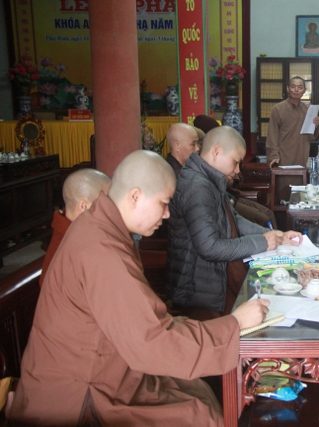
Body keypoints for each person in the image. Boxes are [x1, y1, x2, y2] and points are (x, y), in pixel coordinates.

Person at [7, 150, 270, 426]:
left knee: (196, 390)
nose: (168, 214)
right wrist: (234, 325)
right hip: (79, 397)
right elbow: (151, 342)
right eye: (163, 203)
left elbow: (142, 323)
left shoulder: (101, 227)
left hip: (109, 366)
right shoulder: (101, 250)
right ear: (135, 196)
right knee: (198, 414)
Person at [169, 126, 301, 315]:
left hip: (212, 282)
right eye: (235, 162)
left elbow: (233, 220)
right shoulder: (197, 187)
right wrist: (263, 242)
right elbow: (209, 247)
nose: (238, 170)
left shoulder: (209, 179)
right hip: (197, 290)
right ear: (216, 152)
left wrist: (274, 236)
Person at [40, 168, 111, 286]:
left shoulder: (77, 228)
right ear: (84, 206)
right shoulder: (72, 244)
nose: (111, 209)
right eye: (107, 201)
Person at [266, 76, 319, 168]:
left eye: (300, 87)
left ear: (304, 91)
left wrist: (315, 126)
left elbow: (311, 137)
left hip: (302, 156)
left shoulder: (307, 110)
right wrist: (274, 156)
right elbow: (272, 136)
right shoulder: (278, 109)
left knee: (301, 176)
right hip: (283, 157)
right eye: (293, 86)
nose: (296, 90)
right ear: (288, 89)